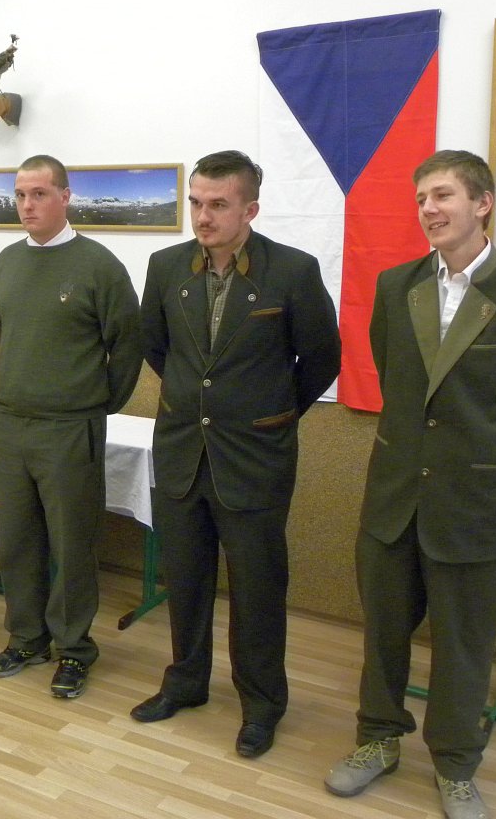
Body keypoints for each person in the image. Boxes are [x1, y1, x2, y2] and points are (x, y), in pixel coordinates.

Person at [324, 150, 496, 819]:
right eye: (421, 199)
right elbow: (397, 382)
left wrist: (495, 481)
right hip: (394, 496)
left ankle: (457, 766)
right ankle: (377, 739)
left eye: (442, 196)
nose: (428, 209)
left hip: (474, 505)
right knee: (383, 634)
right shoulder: (394, 286)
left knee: (463, 648)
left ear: (483, 203)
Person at [131, 150, 340, 760]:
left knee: (257, 590)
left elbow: (322, 359)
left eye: (218, 205)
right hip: (182, 453)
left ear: (250, 209)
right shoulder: (166, 266)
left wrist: (271, 414)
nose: (203, 216)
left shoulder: (292, 271)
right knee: (186, 579)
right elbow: (156, 346)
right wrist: (198, 404)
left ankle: (262, 704)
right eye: (196, 202)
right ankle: (186, 682)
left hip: (255, 458)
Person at [0, 154, 143, 700]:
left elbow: (128, 346)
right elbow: (5, 332)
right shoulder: (7, 261)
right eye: (20, 195)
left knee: (72, 546)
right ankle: (27, 638)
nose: (27, 205)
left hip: (70, 427)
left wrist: (94, 403)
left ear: (66, 197)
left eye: (39, 194)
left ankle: (74, 648)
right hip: (12, 422)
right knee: (17, 541)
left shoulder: (99, 266)